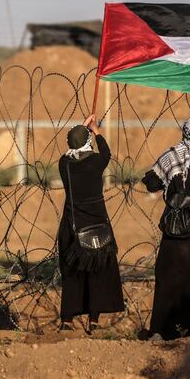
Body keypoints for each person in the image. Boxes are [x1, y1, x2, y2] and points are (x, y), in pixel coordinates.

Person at [140, 116, 190, 340]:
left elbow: (151, 183)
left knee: (166, 274)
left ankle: (162, 329)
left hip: (177, 225)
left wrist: (173, 191)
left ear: (184, 132)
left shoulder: (171, 157)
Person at [57, 114, 124, 332]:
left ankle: (67, 320)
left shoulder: (64, 164)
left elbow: (75, 145)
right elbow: (106, 152)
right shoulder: (97, 162)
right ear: (88, 142)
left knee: (72, 274)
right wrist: (95, 130)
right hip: (97, 226)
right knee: (97, 273)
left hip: (72, 226)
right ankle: (93, 321)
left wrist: (82, 130)